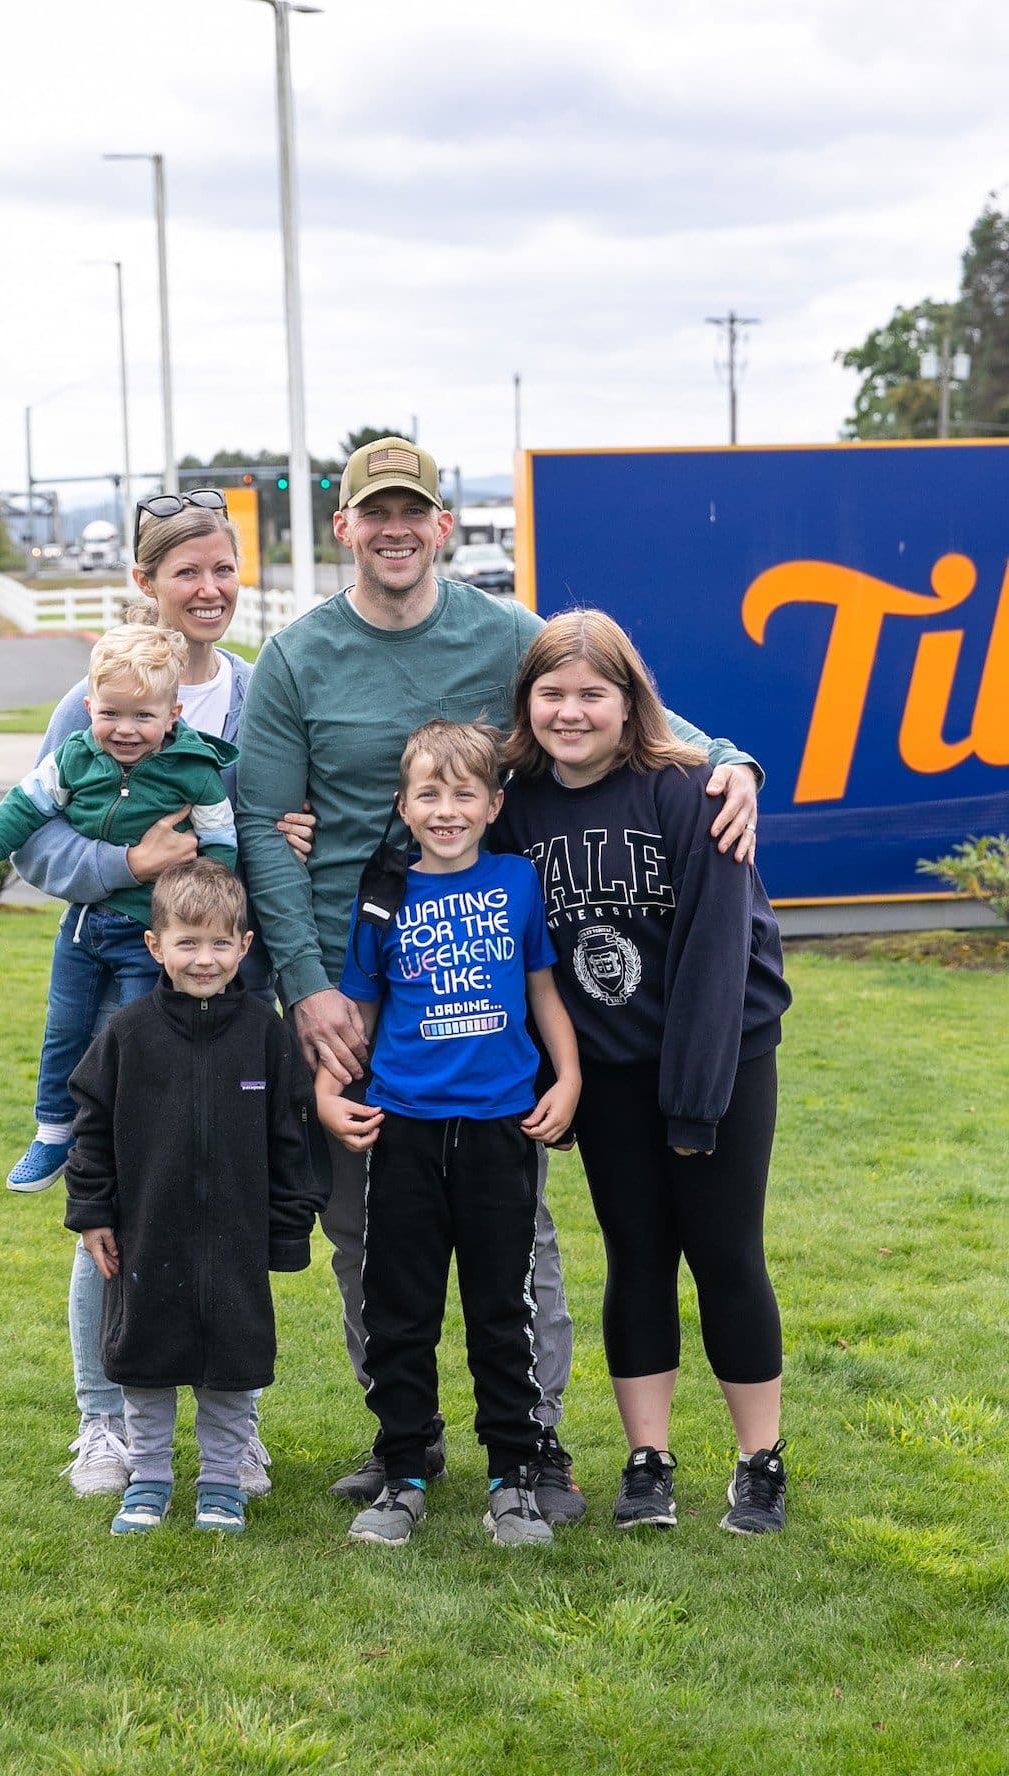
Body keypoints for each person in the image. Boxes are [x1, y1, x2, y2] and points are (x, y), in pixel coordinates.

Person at [234, 434, 763, 1519]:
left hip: (490, 972)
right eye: (371, 513)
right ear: (343, 527)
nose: (392, 531)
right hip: (359, 982)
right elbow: (258, 823)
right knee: (369, 1235)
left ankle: (539, 1447)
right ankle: (405, 1445)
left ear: (440, 526)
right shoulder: (298, 658)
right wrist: (308, 990)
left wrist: (731, 760)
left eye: (411, 512)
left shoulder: (499, 635)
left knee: (517, 1235)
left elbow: (617, 700)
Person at [10, 494, 315, 1502]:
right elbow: (37, 842)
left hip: (243, 988)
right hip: (125, 988)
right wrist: (125, 859)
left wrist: (296, 834)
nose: (209, 588)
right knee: (116, 1205)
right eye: (186, 571)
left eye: (224, 568)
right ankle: (106, 1422)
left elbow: (284, 812)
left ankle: (239, 1427)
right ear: (146, 583)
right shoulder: (96, 697)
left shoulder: (264, 689)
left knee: (228, 1192)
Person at [496, 610, 793, 1534]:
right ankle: (649, 1461)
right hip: (612, 1069)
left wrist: (696, 1107)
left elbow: (716, 955)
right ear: (527, 704)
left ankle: (760, 1460)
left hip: (719, 1058)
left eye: (593, 693)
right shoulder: (516, 805)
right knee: (637, 1256)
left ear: (631, 705)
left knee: (726, 1252)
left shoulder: (693, 790)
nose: (571, 711)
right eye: (553, 693)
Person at [317, 721, 581, 1547]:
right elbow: (360, 1007)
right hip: (404, 1128)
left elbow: (542, 989)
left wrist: (567, 1078)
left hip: (501, 1128)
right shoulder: (384, 892)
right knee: (399, 1308)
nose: (446, 808)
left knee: (501, 1307)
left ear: (493, 803)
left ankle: (512, 1477)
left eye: (464, 792)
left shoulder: (516, 881)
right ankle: (403, 1475)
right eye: (428, 793)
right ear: (404, 804)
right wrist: (329, 1089)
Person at [64, 860, 322, 1536]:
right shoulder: (127, 1034)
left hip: (236, 1237)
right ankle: (147, 1479)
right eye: (187, 942)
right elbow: (88, 1127)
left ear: (244, 945)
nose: (204, 958)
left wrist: (288, 1230)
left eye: (219, 943)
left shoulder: (266, 1034)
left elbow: (291, 1135)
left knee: (232, 1365)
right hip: (148, 1235)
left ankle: (221, 1482)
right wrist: (91, 1211)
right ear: (156, 946)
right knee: (144, 1362)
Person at [0, 621, 238, 1179]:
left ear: (173, 714)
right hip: (83, 926)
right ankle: (52, 1132)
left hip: (148, 935)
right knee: (64, 1028)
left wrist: (205, 906)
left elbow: (221, 845)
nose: (125, 730)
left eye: (143, 716)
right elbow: (21, 809)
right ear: (88, 706)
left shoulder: (196, 772)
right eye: (110, 714)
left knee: (137, 1035)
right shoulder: (75, 757)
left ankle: (126, 1140)